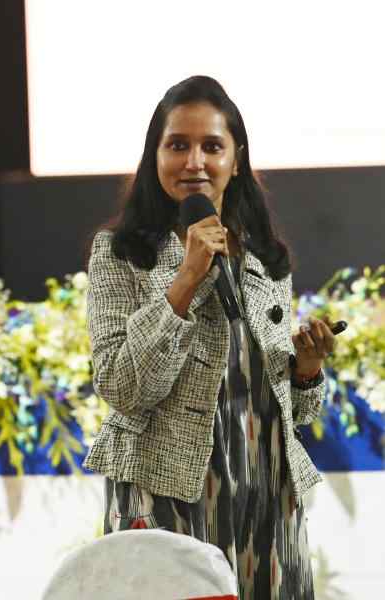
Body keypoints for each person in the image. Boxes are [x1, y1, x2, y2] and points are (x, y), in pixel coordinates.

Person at [84, 75, 334, 599]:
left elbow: (298, 412)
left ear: (235, 159)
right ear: (155, 155)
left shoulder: (264, 260)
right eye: (178, 145)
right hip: (170, 496)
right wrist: (184, 282)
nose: (194, 161)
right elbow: (123, 386)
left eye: (211, 146)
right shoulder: (121, 253)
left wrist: (306, 370)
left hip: (268, 498)